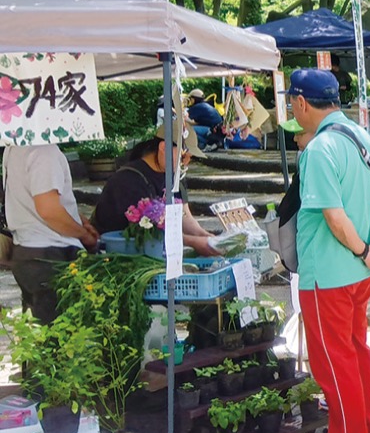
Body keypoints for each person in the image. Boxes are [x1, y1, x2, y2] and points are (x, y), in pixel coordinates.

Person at [287, 68, 370, 433]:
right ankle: (363, 430)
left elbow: (333, 216)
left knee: (333, 361)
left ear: (300, 103)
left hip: (327, 274)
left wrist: (365, 248)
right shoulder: (363, 138)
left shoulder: (319, 149)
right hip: (358, 271)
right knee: (355, 350)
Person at [2, 144, 99, 324]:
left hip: (27, 253)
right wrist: (83, 235)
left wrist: (79, 220)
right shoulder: (44, 151)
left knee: (42, 336)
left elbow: (42, 200)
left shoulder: (15, 147)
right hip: (50, 254)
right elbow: (49, 210)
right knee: (60, 339)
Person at [91, 127, 220, 257]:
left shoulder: (173, 176)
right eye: (183, 156)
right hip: (120, 254)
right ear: (163, 148)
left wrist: (204, 236)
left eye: (189, 158)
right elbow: (150, 231)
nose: (186, 163)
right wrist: (194, 242)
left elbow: (184, 215)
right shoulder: (128, 181)